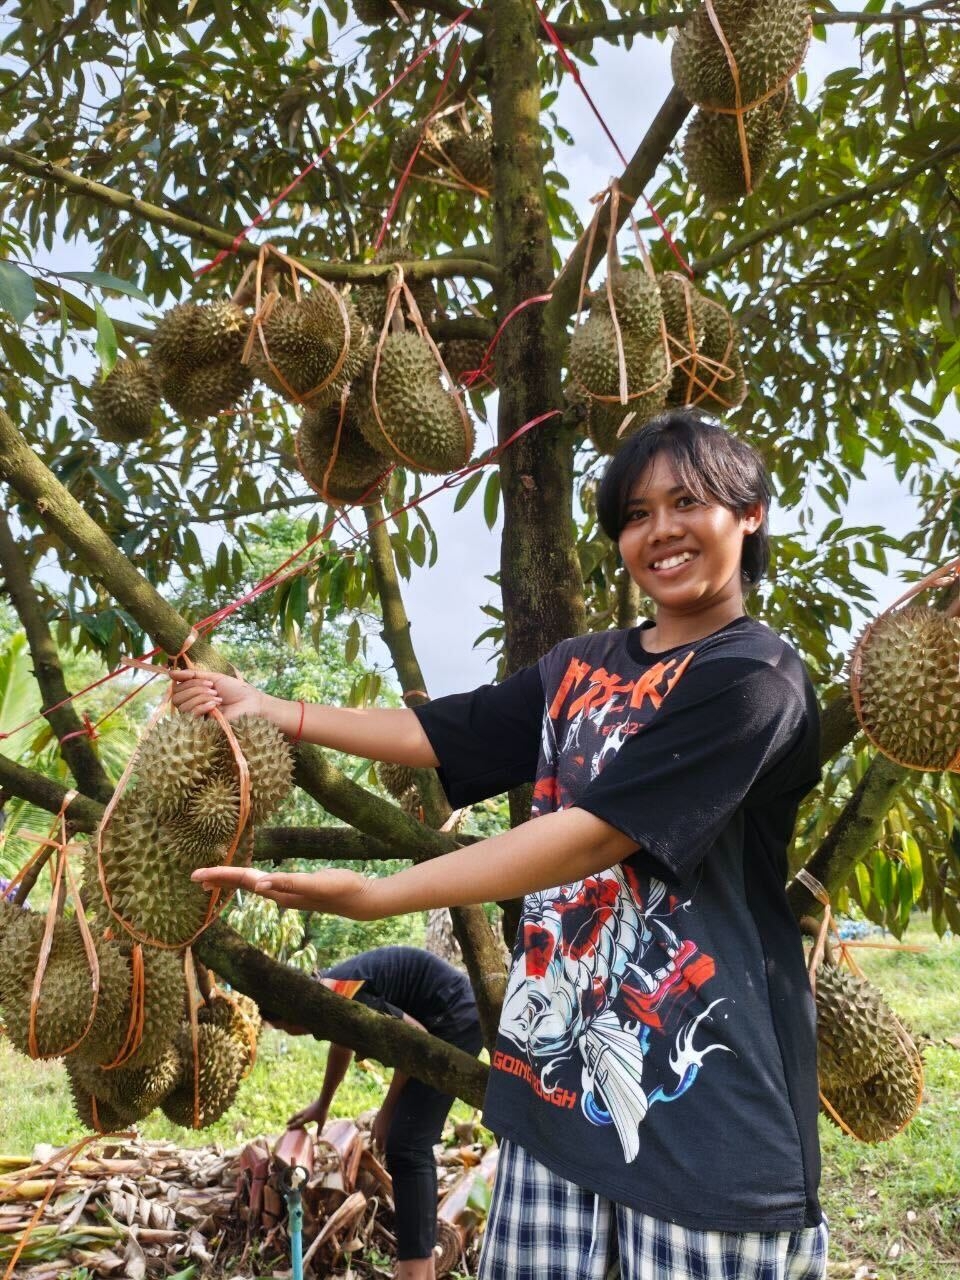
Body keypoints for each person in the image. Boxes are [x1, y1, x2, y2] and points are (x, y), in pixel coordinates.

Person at [172, 410, 827, 1280]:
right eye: (636, 514)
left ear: (749, 515)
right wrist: (272, 708)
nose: (660, 531)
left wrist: (374, 897)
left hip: (707, 1117)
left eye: (687, 502)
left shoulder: (755, 679)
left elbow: (592, 839)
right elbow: (446, 732)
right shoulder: (581, 663)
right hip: (551, 1102)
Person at [275, 945, 482, 1280]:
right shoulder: (330, 995)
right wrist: (323, 1103)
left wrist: (387, 1110)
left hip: (453, 1017)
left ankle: (415, 1271)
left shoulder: (347, 994)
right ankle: (422, 1270)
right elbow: (342, 1042)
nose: (291, 1034)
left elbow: (414, 1039)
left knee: (407, 1145)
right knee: (409, 1144)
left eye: (285, 1028)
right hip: (444, 1015)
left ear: (292, 1012)